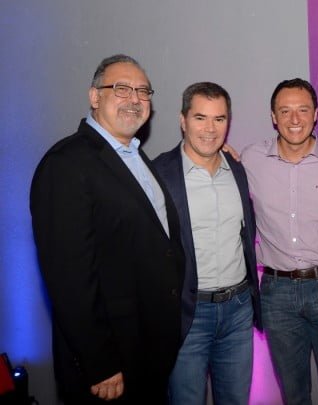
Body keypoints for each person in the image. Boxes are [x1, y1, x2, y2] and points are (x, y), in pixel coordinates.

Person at [29, 54, 184, 404]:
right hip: (110, 365)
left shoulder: (134, 156)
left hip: (147, 352)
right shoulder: (67, 164)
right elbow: (69, 277)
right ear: (94, 97)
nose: (134, 99)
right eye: (121, 88)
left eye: (143, 91)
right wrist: (99, 361)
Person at [240, 78, 318, 405]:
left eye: (303, 110)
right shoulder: (251, 159)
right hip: (277, 292)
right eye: (285, 111)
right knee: (293, 394)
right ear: (273, 117)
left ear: (316, 114)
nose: (294, 119)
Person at [152, 82, 261, 405]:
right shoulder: (158, 174)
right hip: (188, 314)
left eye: (219, 119)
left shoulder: (238, 170)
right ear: (183, 120)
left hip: (238, 311)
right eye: (200, 118)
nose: (210, 129)